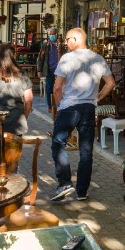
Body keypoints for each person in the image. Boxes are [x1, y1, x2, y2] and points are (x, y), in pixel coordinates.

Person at [49, 28, 115, 202]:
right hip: (88, 108)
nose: (65, 42)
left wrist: (58, 106)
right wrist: (97, 97)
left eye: (67, 39)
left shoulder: (67, 59)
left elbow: (57, 87)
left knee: (58, 144)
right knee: (86, 152)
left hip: (69, 107)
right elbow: (110, 83)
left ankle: (64, 184)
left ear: (77, 39)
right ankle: (82, 192)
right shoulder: (98, 58)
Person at [37, 27, 60, 114]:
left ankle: (58, 105)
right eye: (50, 34)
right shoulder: (45, 45)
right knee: (49, 88)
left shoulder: (59, 44)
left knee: (59, 88)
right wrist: (39, 70)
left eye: (53, 34)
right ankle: (50, 106)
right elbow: (41, 58)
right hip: (49, 71)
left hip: (60, 72)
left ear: (56, 34)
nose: (52, 36)